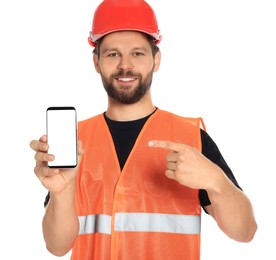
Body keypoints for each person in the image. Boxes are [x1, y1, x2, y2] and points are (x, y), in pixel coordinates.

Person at [30, 0, 257, 259]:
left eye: (137, 53)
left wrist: (216, 182)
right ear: (96, 62)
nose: (125, 65)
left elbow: (245, 232)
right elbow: (57, 246)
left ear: (156, 60)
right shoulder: (76, 142)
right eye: (112, 54)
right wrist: (61, 192)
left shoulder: (190, 138)